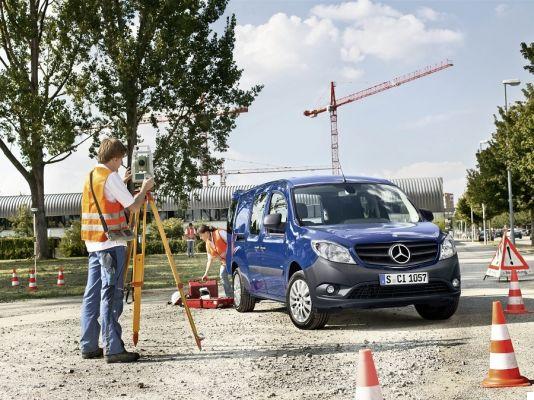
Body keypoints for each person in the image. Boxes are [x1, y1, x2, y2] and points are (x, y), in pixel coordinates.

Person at [80, 138, 154, 363]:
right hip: (111, 244)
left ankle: (89, 345)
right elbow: (133, 206)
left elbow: (104, 201)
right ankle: (113, 348)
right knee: (111, 294)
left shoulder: (92, 176)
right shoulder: (110, 177)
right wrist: (144, 189)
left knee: (92, 295)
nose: (121, 162)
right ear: (113, 157)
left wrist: (123, 183)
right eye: (120, 159)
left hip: (94, 244)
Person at [199, 225, 233, 298]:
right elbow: (209, 260)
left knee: (236, 276)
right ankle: (230, 296)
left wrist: (230, 256)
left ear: (207, 233)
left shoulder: (219, 233)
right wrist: (206, 273)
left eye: (201, 235)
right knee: (222, 275)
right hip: (225, 262)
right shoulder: (208, 244)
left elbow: (232, 241)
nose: (200, 238)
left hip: (235, 258)